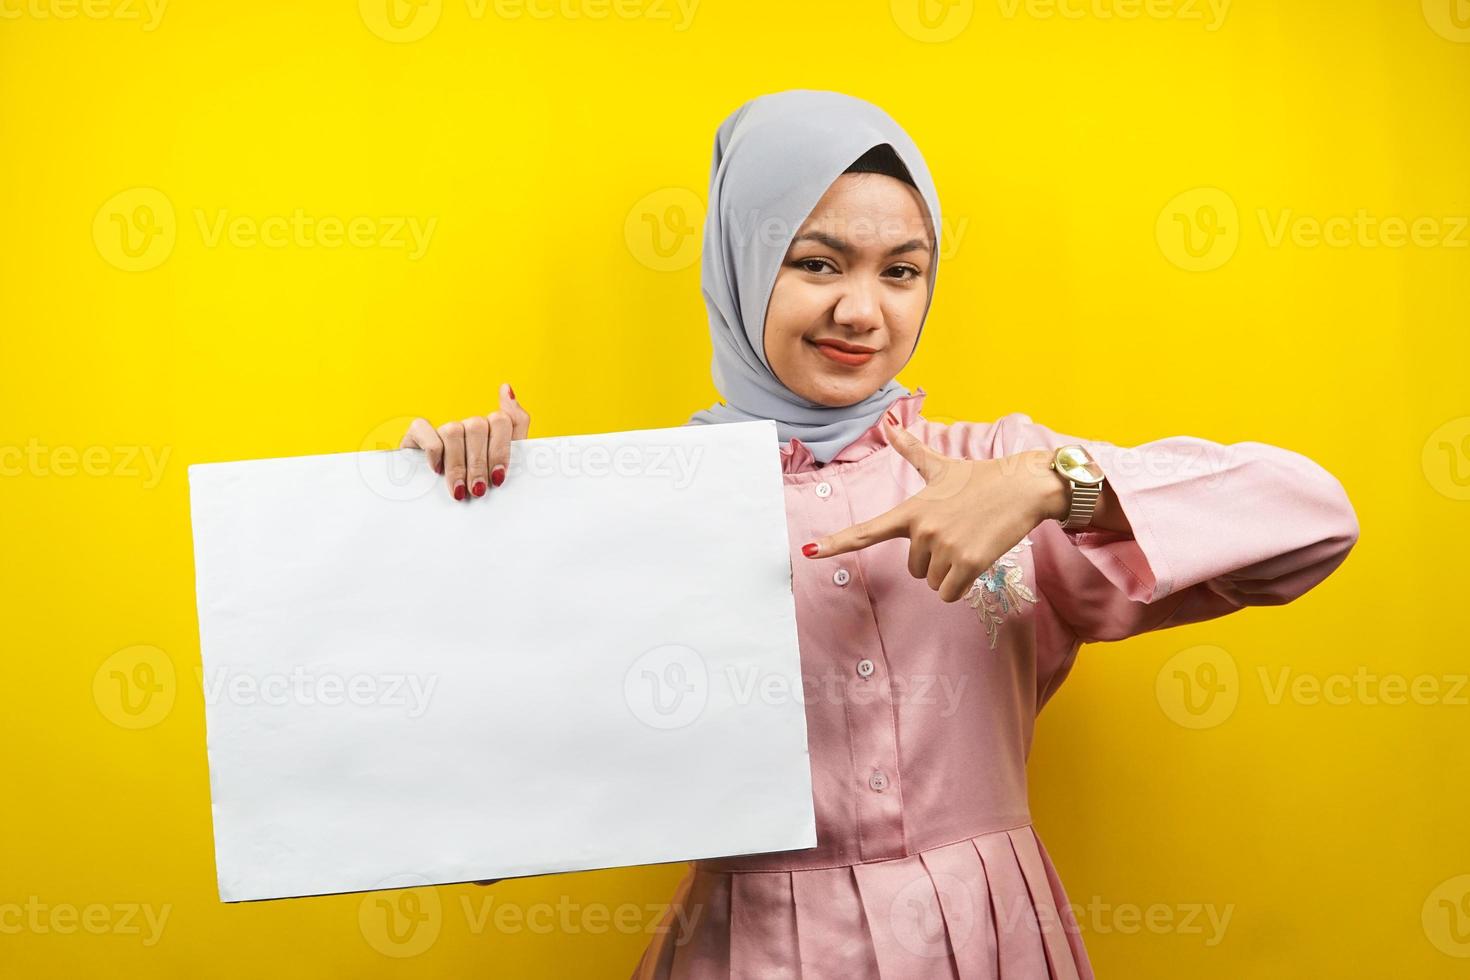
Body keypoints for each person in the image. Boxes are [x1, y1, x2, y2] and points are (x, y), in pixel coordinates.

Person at [398, 89, 1359, 979]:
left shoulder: (997, 471)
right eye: (817, 263)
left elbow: (1313, 522)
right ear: (740, 262)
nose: (863, 312)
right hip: (747, 953)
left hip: (990, 946)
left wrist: (1051, 486)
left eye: (902, 272)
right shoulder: (642, 508)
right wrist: (471, 530)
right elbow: (483, 827)